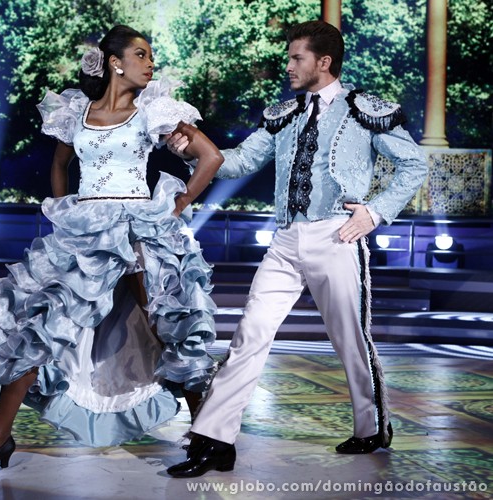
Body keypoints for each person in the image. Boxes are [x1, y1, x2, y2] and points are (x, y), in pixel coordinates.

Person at [0, 24, 223, 479]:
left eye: (150, 55)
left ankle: (207, 438)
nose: (149, 62)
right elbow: (61, 165)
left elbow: (210, 157)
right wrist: (65, 214)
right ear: (116, 62)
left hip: (138, 232)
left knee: (167, 327)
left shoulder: (152, 110)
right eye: (141, 54)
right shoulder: (74, 111)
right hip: (84, 236)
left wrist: (176, 206)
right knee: (40, 328)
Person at [165, 20, 428, 478]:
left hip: (337, 236)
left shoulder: (363, 109)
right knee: (250, 334)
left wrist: (375, 212)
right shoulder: (284, 113)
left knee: (351, 340)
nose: (288, 66)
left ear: (323, 62)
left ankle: (372, 427)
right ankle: (215, 440)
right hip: (285, 239)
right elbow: (241, 162)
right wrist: (193, 152)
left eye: (296, 58)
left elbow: (413, 164)